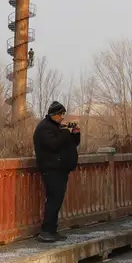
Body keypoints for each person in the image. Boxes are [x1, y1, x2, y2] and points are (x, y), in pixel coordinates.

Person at [32, 100, 81, 242]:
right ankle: (46, 231)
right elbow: (54, 145)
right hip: (51, 169)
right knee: (53, 200)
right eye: (60, 115)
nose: (62, 117)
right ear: (53, 114)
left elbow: (70, 144)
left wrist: (75, 134)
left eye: (63, 115)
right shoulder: (44, 128)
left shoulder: (56, 127)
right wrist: (65, 131)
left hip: (60, 169)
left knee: (57, 200)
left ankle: (52, 230)